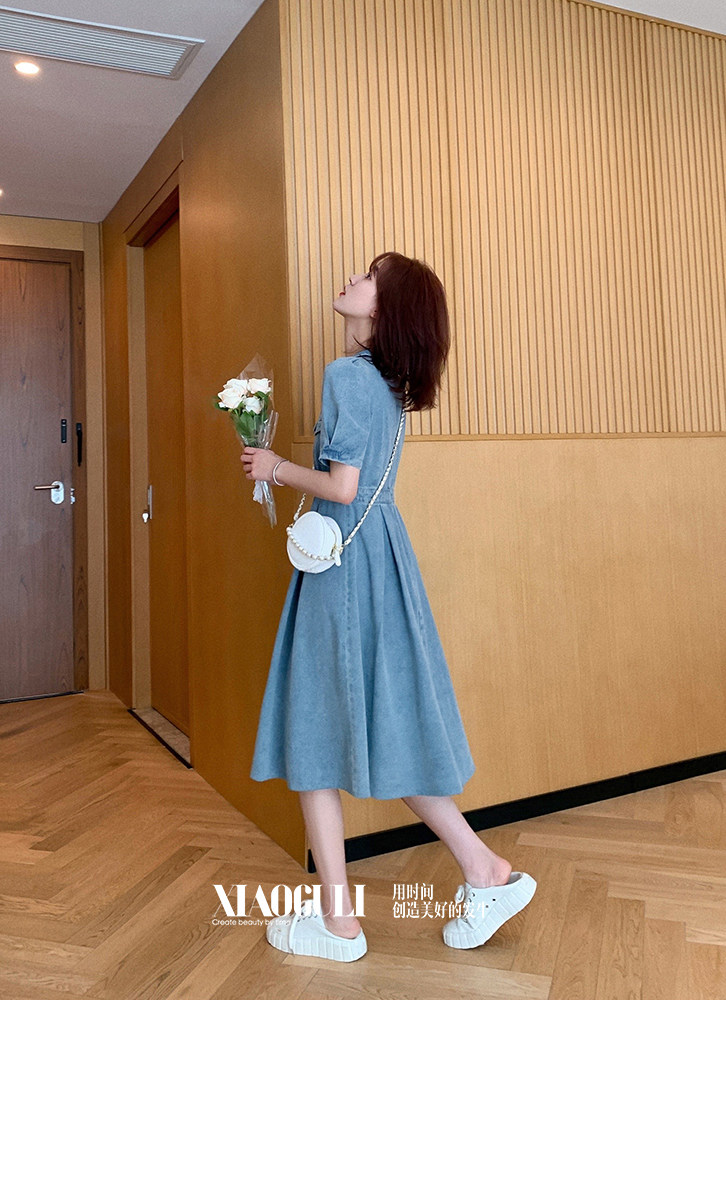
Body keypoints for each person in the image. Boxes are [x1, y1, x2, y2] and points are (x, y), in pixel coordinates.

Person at [240, 251, 536, 962]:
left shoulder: (348, 376)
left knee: (314, 731)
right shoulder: (388, 389)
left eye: (369, 276)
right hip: (381, 560)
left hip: (342, 568)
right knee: (384, 726)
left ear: (385, 308)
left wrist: (273, 466)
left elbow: (342, 488)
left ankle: (339, 922)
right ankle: (484, 870)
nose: (353, 278)